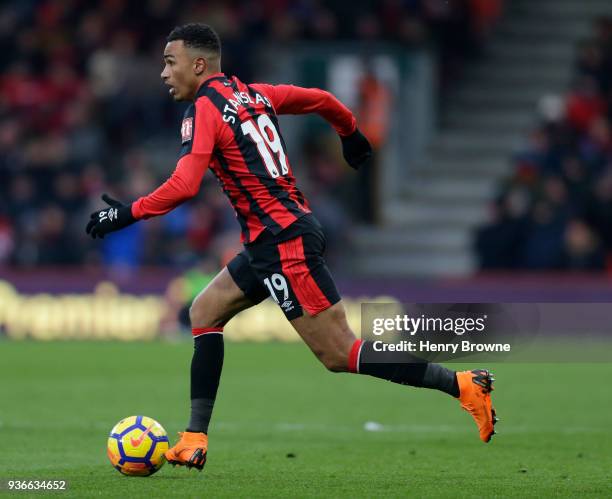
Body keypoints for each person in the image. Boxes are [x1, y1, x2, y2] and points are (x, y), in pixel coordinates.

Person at [86, 23, 497, 471]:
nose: (165, 73)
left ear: (198, 64)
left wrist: (124, 214)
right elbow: (321, 100)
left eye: (170, 62)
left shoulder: (203, 109)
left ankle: (461, 383)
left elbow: (185, 185)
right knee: (204, 312)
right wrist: (351, 134)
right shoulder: (255, 94)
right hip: (271, 241)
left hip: (284, 243)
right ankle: (193, 437)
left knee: (340, 354)